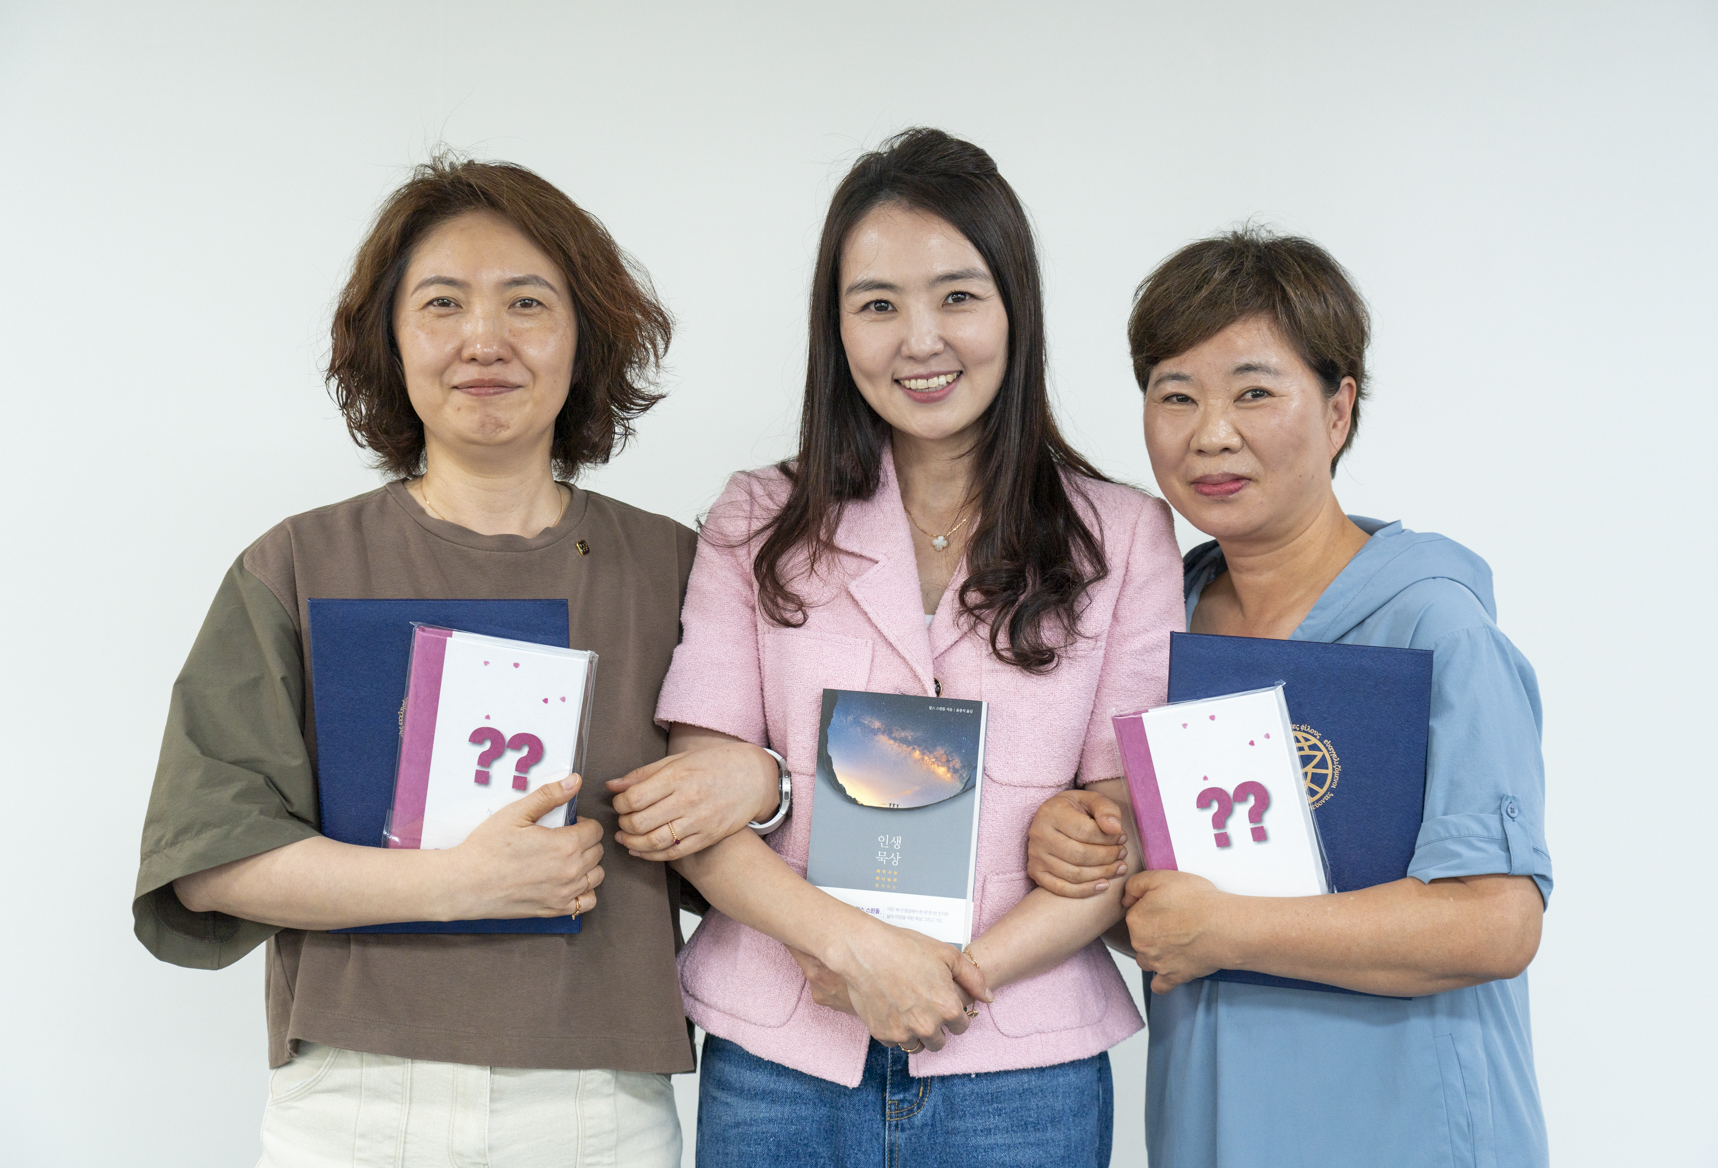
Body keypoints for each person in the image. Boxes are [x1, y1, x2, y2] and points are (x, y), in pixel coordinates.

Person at [604, 128, 1183, 1167]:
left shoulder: (1124, 536)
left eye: (958, 296)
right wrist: (858, 952)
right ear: (835, 329)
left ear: (1016, 308)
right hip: (781, 1060)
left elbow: (1123, 832)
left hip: (1021, 1069)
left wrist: (956, 978)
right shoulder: (756, 520)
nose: (920, 340)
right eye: (877, 305)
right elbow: (699, 808)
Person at [132, 156, 695, 1167]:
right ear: (389, 341)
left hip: (596, 1103)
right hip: (356, 1098)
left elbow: (748, 836)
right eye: (443, 303)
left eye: (527, 302)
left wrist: (762, 785)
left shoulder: (678, 572)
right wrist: (457, 881)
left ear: (586, 336)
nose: (485, 338)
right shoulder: (296, 565)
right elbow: (210, 859)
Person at [1025, 228, 1551, 1167]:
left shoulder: (1434, 625)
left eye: (1254, 392)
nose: (1210, 434)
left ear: (1339, 409)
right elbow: (1164, 902)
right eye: (1175, 395)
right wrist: (1083, 843)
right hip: (1216, 1123)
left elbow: (1496, 921)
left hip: (1408, 1133)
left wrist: (1229, 929)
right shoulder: (1161, 621)